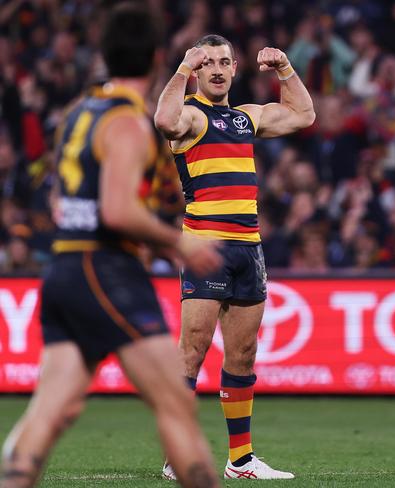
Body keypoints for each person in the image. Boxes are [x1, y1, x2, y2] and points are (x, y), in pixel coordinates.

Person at [0, 4, 222, 488]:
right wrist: (177, 244)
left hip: (64, 269)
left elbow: (61, 197)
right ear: (159, 57)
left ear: (103, 55)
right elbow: (118, 210)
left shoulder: (80, 111)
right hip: (107, 271)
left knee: (50, 412)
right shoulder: (127, 122)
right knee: (177, 404)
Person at [154, 35, 315, 480]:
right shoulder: (190, 115)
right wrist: (183, 68)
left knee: (243, 354)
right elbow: (164, 120)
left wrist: (285, 68)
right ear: (199, 72)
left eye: (225, 61)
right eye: (210, 63)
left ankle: (241, 461)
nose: (219, 69)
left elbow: (304, 114)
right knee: (193, 350)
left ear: (235, 67)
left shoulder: (246, 118)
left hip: (248, 247)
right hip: (205, 245)